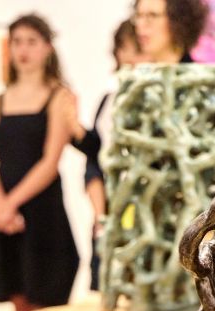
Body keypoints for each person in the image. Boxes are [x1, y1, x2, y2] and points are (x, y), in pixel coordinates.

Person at [0, 14, 82, 311]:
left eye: (31, 41)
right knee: (19, 302)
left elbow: (49, 162)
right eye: (17, 41)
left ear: (47, 47)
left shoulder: (59, 96)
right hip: (9, 218)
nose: (23, 49)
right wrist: (1, 205)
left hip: (41, 216)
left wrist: (10, 202)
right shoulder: (0, 100)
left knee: (46, 302)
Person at [74, 18, 145, 291]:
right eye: (122, 49)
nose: (127, 57)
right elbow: (97, 157)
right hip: (110, 212)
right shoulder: (109, 100)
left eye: (134, 49)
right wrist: (99, 212)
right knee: (108, 290)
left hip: (142, 212)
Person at [132, 0, 208, 63]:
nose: (141, 24)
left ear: (178, 19)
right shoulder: (135, 77)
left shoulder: (201, 77)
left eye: (153, 15)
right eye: (139, 15)